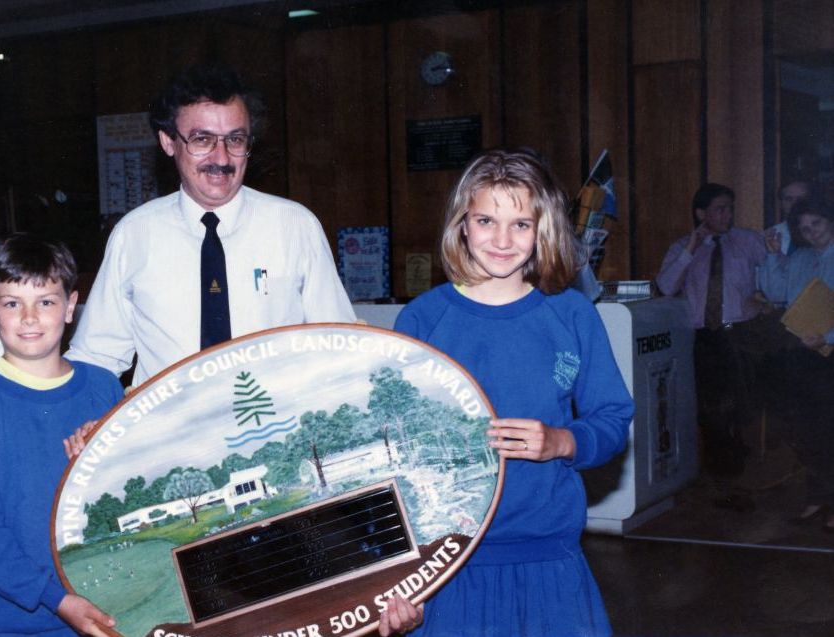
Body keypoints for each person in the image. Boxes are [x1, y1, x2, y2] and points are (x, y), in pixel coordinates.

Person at [393, 149, 634, 636]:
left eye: (521, 224)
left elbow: (611, 417)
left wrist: (562, 442)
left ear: (542, 229)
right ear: (462, 224)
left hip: (548, 553)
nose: (502, 240)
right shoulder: (422, 319)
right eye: (486, 220)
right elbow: (393, 453)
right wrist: (397, 573)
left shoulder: (571, 315)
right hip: (448, 561)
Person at [67, 63, 354, 386]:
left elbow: (338, 343)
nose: (221, 158)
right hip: (172, 430)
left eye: (235, 139)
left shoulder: (295, 226)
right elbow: (97, 355)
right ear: (168, 142)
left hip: (275, 428)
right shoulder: (134, 235)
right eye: (202, 139)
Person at [0, 234, 123, 636]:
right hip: (7, 620)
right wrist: (54, 599)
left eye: (47, 301)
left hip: (104, 607)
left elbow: (128, 496)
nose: (30, 318)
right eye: (12, 303)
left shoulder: (104, 388)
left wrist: (104, 458)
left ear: (71, 307)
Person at [655, 183, 768, 477]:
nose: (727, 215)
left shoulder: (748, 241)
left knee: (740, 405)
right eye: (720, 209)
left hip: (741, 332)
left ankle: (736, 463)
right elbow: (666, 286)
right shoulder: (682, 247)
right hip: (704, 337)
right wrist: (692, 249)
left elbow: (774, 277)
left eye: (730, 208)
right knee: (710, 407)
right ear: (701, 213)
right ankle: (725, 471)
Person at [758, 199, 834, 531]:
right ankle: (818, 499)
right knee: (809, 430)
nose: (811, 232)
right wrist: (775, 255)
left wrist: (829, 335)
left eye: (816, 224)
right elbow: (776, 293)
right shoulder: (801, 258)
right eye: (803, 228)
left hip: (831, 351)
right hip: (806, 354)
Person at [766, 180, 813, 257]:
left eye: (800, 199)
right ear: (781, 204)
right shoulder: (771, 236)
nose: (794, 204)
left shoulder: (824, 233)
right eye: (789, 199)